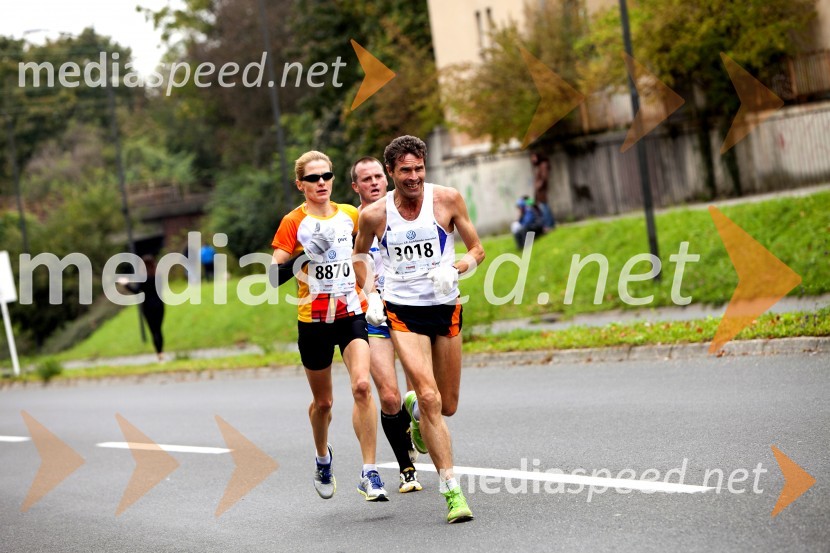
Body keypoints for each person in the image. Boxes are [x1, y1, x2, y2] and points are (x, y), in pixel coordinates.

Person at [354, 135, 485, 523]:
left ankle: (415, 413)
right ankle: (452, 493)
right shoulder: (374, 215)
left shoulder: (447, 199)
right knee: (429, 397)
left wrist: (455, 268)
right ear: (391, 172)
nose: (413, 177)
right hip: (403, 310)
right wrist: (371, 291)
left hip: (444, 306)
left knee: (447, 404)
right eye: (405, 170)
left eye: (419, 169)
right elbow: (360, 256)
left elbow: (477, 249)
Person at [270, 150, 388, 502]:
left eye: (326, 176)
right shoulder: (293, 222)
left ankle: (369, 472)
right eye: (312, 178)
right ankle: (323, 457)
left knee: (363, 387)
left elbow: (362, 259)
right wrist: (304, 255)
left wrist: (373, 295)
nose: (321, 183)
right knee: (323, 404)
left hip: (351, 314)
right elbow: (273, 275)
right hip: (314, 321)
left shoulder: (351, 215)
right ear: (300, 185)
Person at [350, 156, 422, 494]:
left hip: (408, 309)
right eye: (367, 179)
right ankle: (406, 469)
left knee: (416, 394)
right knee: (390, 396)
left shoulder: (403, 210)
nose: (375, 183)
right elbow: (352, 263)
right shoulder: (352, 222)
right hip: (373, 313)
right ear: (356, 186)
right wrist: (370, 295)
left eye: (379, 176)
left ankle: (420, 429)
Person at [117, 254, 166, 362]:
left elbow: (136, 291)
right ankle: (161, 351)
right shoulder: (158, 276)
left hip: (147, 306)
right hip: (159, 304)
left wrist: (126, 284)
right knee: (159, 329)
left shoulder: (143, 277)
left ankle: (159, 354)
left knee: (153, 331)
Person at [530, 151, 555, 230]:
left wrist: (539, 185)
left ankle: (549, 225)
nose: (533, 159)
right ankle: (550, 224)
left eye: (534, 157)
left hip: (542, 189)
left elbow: (544, 178)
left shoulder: (543, 165)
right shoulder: (540, 166)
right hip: (540, 190)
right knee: (544, 206)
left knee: (544, 207)